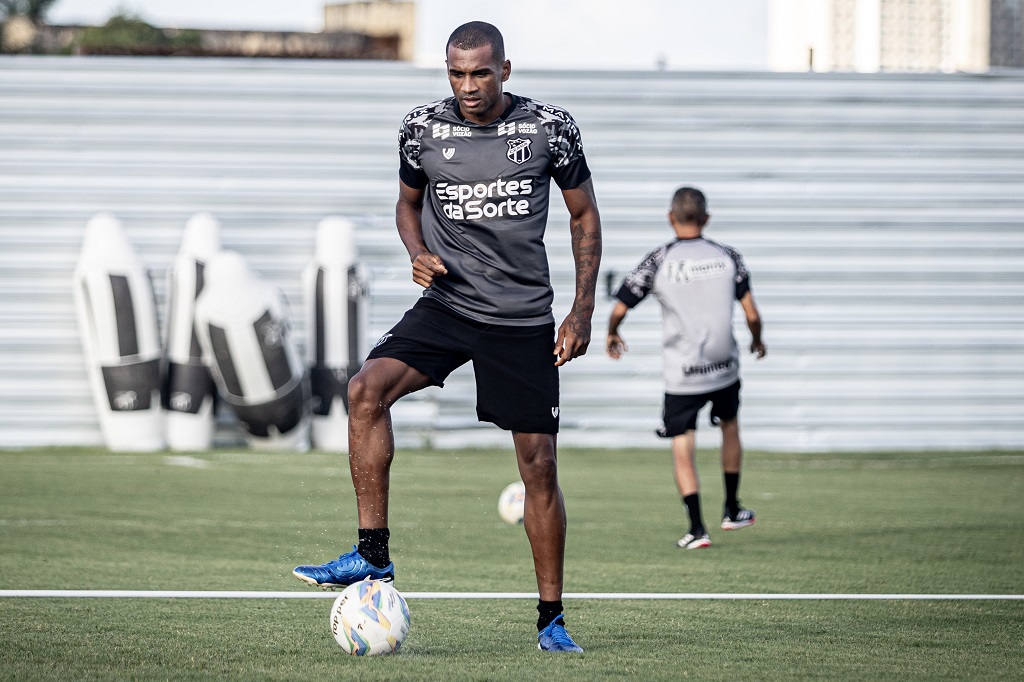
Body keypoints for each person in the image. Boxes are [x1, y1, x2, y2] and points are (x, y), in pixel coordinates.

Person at [293, 21, 601, 653]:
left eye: (481, 73)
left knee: (537, 465)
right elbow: (408, 205)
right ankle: (372, 555)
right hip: (449, 304)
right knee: (365, 390)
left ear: (505, 71)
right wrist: (416, 251)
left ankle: (551, 619)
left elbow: (583, 215)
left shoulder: (550, 129)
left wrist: (581, 312)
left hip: (520, 316)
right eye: (457, 73)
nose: (468, 86)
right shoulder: (421, 129)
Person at [606, 187, 765, 550]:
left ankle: (697, 528)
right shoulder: (728, 257)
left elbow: (621, 305)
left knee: (683, 443)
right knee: (730, 427)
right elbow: (752, 314)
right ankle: (732, 508)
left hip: (683, 373)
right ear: (707, 218)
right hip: (725, 366)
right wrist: (757, 341)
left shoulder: (659, 259)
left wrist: (613, 333)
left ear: (670, 217)